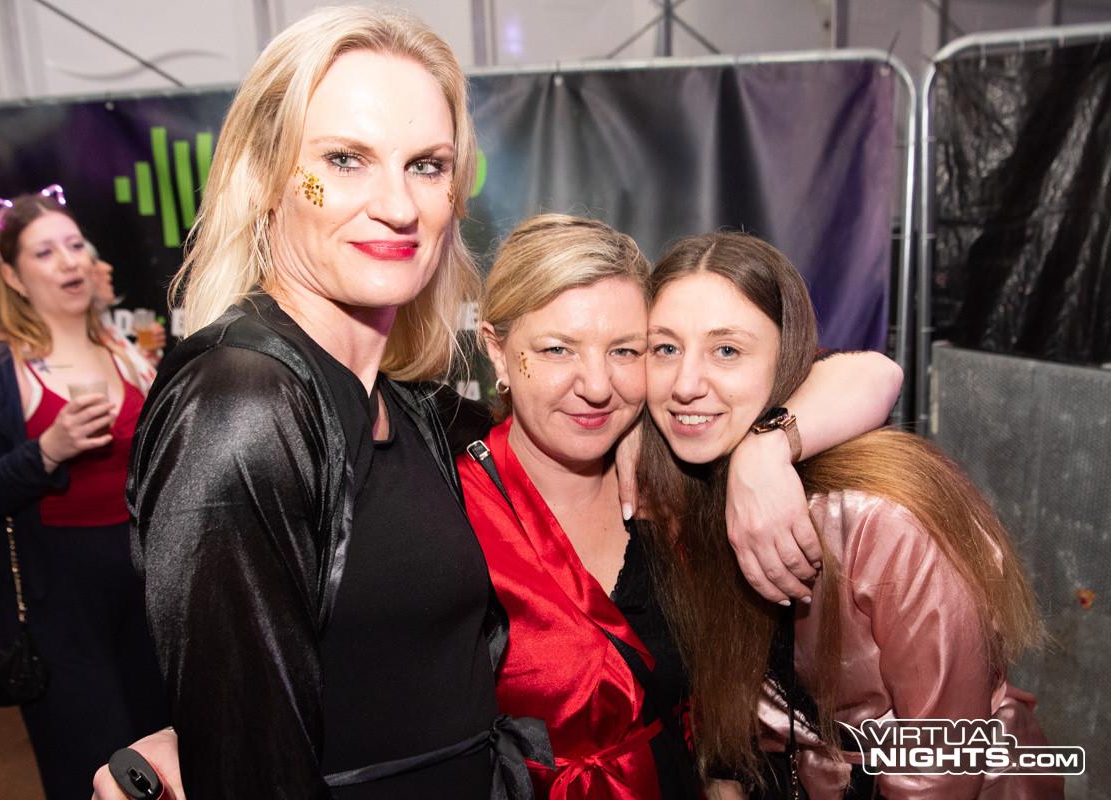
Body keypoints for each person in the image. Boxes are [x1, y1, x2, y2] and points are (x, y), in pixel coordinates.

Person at [94, 207, 902, 799]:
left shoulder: (682, 472)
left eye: (626, 350)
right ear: (497, 350)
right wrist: (193, 735)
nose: (596, 385)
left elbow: (874, 372)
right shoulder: (437, 491)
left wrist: (767, 448)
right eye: (556, 349)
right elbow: (330, 650)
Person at [107, 8, 552, 798]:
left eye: (427, 165)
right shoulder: (240, 404)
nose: (399, 206)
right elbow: (251, 769)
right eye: (345, 160)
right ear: (266, 177)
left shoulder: (409, 402)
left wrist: (768, 437)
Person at [639, 232, 1060, 799]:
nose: (686, 385)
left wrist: (764, 446)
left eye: (728, 351)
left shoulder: (879, 517)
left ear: (789, 358)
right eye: (666, 349)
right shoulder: (683, 490)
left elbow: (941, 762)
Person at [0, 185, 168, 799]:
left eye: (74, 245)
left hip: (143, 583)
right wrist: (48, 450)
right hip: (55, 601)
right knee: (90, 759)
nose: (68, 261)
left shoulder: (124, 351)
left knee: (159, 750)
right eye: (44, 252)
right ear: (13, 277)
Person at [87, 240, 165, 390]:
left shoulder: (106, 327)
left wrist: (146, 351)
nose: (107, 267)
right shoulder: (80, 342)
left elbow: (134, 386)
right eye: (94, 262)